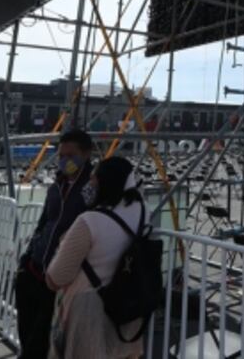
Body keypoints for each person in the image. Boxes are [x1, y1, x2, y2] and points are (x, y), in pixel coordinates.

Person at [46, 156, 146, 358]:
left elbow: (55, 278)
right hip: (128, 307)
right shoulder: (142, 211)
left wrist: (62, 245)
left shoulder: (88, 222)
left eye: (93, 179)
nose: (88, 184)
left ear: (105, 183)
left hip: (89, 312)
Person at [15, 129, 95, 359]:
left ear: (86, 154)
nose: (65, 161)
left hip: (59, 279)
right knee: (27, 328)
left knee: (39, 342)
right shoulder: (57, 185)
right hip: (34, 269)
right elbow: (44, 223)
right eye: (61, 155)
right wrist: (27, 258)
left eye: (71, 155)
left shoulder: (92, 188)